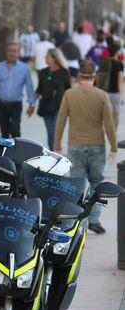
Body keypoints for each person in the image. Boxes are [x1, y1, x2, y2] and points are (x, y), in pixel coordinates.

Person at [53, 60, 118, 234]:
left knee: (76, 185)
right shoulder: (102, 95)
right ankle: (94, 219)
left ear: (79, 76)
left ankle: (76, 221)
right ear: (94, 77)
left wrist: (56, 144)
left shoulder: (69, 94)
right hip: (96, 144)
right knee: (97, 183)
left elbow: (60, 121)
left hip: (75, 144)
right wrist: (113, 146)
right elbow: (109, 124)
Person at [0, 43, 36, 138]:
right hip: (1, 104)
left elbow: (29, 87)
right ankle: (6, 152)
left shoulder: (24, 68)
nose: (12, 53)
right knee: (4, 132)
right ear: (6, 52)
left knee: (15, 130)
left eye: (14, 51)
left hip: (16, 105)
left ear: (18, 53)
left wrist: (31, 104)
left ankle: (17, 152)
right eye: (10, 51)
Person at [34, 48, 71, 150]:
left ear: (54, 58)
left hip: (59, 106)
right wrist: (32, 104)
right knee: (50, 132)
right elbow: (39, 89)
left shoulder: (64, 72)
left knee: (54, 131)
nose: (45, 58)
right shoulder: (43, 72)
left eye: (48, 56)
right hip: (46, 106)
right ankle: (53, 151)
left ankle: (55, 152)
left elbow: (68, 89)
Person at [101, 42, 123, 128]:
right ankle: (113, 133)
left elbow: (99, 77)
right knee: (116, 114)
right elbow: (120, 80)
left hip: (104, 91)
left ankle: (105, 132)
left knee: (104, 114)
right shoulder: (119, 64)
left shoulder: (104, 63)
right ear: (117, 52)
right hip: (115, 92)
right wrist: (120, 94)